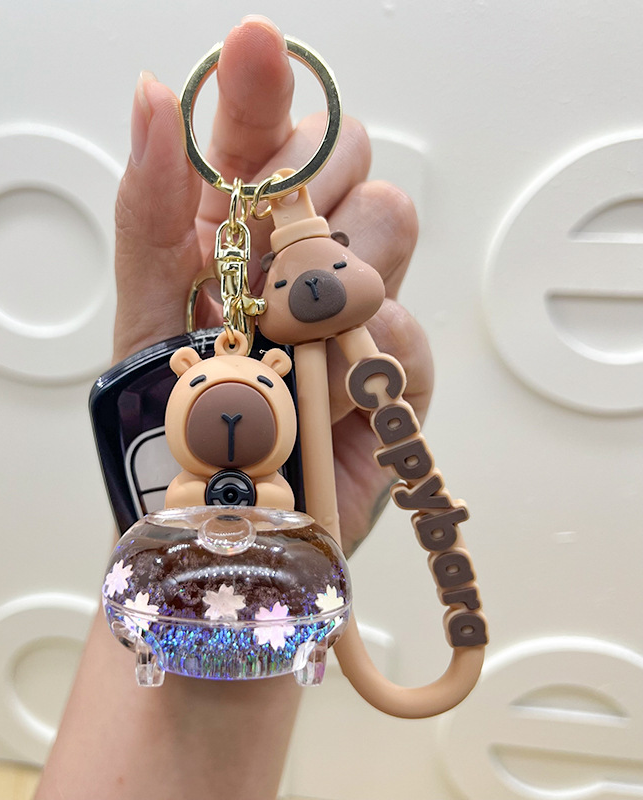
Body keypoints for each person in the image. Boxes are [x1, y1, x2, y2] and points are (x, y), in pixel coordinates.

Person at [35, 15, 431, 800]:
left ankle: (280, 649)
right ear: (183, 373)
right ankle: (170, 653)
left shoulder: (290, 490)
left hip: (280, 572)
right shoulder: (174, 489)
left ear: (279, 373)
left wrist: (308, 507)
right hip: (188, 586)